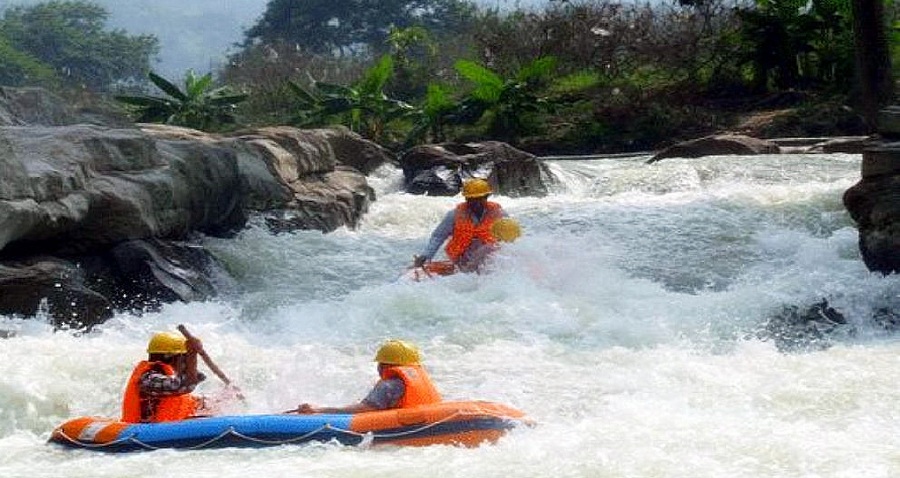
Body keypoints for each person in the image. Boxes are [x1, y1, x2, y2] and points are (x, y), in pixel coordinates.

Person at [293, 339, 441, 414]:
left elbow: (365, 409)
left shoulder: (388, 386)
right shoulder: (421, 380)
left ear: (383, 365)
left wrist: (319, 410)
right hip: (428, 421)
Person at [413, 178, 519, 273]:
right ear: (466, 199)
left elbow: (511, 237)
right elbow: (438, 237)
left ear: (486, 197)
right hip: (462, 259)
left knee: (489, 247)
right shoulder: (454, 215)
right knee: (485, 249)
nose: (475, 203)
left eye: (479, 199)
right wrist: (426, 256)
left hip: (489, 258)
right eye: (471, 200)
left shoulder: (499, 214)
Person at [121, 331, 209, 423]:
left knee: (206, 402)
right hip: (148, 431)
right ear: (170, 357)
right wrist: (192, 357)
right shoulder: (148, 378)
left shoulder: (167, 374)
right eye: (183, 357)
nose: (185, 360)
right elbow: (183, 386)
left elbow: (201, 376)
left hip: (170, 424)